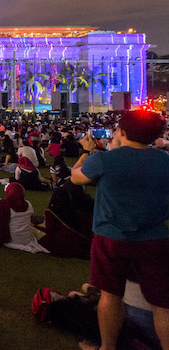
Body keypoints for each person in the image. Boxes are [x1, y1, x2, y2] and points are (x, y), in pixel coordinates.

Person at [70, 111, 169, 350]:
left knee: (110, 295)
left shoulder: (105, 159)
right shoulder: (164, 160)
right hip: (154, 237)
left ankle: (108, 347)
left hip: (111, 237)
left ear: (122, 131)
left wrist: (86, 151)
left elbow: (76, 178)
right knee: (161, 304)